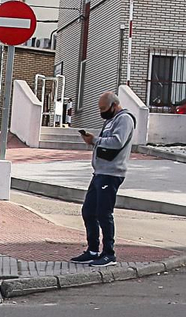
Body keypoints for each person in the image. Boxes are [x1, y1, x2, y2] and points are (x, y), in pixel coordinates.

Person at [70, 90, 135, 267]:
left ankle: (109, 254)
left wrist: (95, 140)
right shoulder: (110, 120)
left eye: (104, 108)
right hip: (100, 172)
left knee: (104, 214)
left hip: (112, 173)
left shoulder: (124, 119)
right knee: (89, 211)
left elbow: (118, 142)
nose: (101, 112)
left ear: (114, 105)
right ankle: (92, 250)